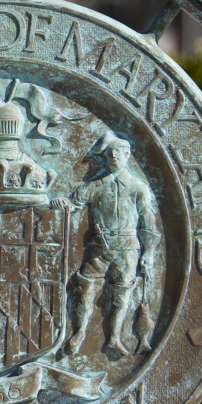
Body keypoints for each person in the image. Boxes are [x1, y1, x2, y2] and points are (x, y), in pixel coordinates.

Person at [61, 128, 160, 356]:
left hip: (128, 249)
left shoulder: (138, 188)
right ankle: (79, 333)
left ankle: (113, 339)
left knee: (122, 294)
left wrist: (148, 254)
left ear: (126, 155)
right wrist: (61, 204)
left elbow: (148, 224)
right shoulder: (96, 185)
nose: (112, 157)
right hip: (99, 247)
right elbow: (72, 202)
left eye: (117, 152)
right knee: (85, 289)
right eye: (108, 154)